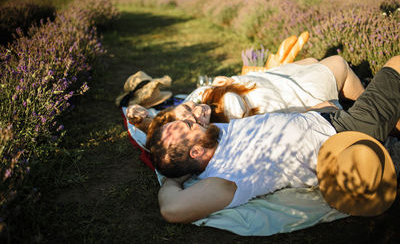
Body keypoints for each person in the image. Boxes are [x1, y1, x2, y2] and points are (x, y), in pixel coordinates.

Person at [148, 55, 400, 223]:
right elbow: (171, 209)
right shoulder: (223, 178)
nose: (196, 119)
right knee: (396, 64)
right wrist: (174, 180)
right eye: (191, 126)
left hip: (324, 117)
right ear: (195, 153)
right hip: (344, 138)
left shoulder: (216, 136)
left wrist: (311, 110)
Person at [127, 56, 365, 133]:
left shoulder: (194, 105)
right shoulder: (228, 127)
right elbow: (275, 118)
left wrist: (143, 118)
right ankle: (379, 112)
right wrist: (310, 109)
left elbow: (164, 124)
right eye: (194, 119)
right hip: (288, 93)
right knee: (338, 63)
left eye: (189, 107)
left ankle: (362, 98)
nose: (197, 110)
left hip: (269, 80)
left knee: (312, 60)